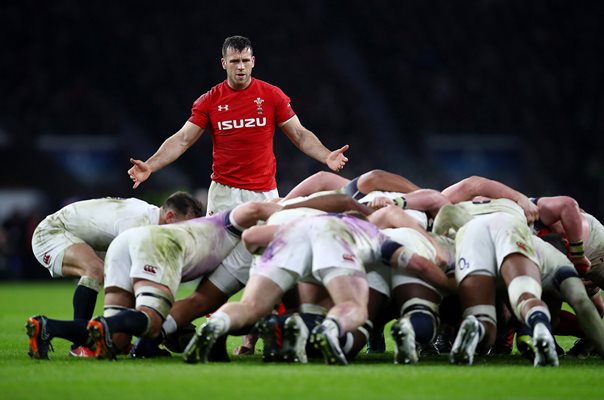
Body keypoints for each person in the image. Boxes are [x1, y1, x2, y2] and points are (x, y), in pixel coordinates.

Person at [25, 201, 282, 360]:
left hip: (122, 246)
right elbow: (254, 208)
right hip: (151, 243)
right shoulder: (231, 232)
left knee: (119, 340)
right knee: (148, 318)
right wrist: (288, 210)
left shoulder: (217, 240)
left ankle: (49, 327)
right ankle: (104, 331)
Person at [127, 35, 349, 214]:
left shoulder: (272, 96)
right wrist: (151, 165)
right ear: (224, 64)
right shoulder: (210, 100)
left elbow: (300, 135)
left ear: (252, 61)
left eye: (245, 61)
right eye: (234, 61)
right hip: (224, 194)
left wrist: (326, 155)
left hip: (265, 192)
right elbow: (183, 139)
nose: (240, 67)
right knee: (216, 259)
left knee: (263, 254)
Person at [29, 192, 203, 357]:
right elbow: (132, 279)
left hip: (81, 239)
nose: (185, 233)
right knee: (94, 270)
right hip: (52, 232)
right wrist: (161, 321)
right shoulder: (139, 222)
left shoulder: (149, 222)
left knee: (118, 335)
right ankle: (79, 346)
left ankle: (54, 330)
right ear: (170, 216)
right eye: (184, 226)